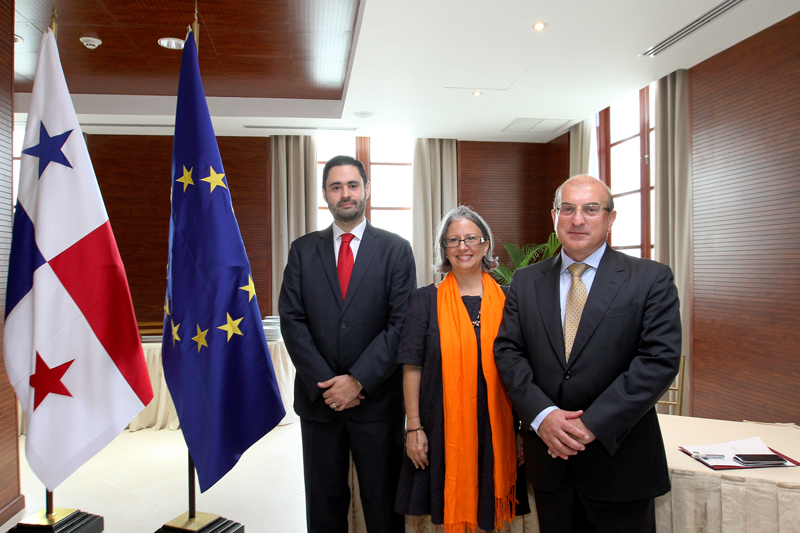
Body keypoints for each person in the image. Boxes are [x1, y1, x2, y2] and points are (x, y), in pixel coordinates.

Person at [494, 175, 682, 532]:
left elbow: (658, 361)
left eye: (591, 209)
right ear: (555, 216)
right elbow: (509, 352)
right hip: (550, 464)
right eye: (568, 209)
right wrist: (543, 416)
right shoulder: (526, 281)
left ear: (610, 218)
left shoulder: (650, 278)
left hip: (620, 464)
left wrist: (590, 424)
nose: (577, 219)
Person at [279, 155, 416, 533]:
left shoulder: (396, 249)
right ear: (325, 194)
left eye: (352, 185)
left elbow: (400, 324)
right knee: (323, 506)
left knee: (383, 507)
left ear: (366, 189)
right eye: (336, 187)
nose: (345, 194)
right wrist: (328, 385)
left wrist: (357, 380)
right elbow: (292, 321)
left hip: (377, 403)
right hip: (319, 403)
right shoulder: (302, 250)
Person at [395, 206, 529, 533]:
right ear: (444, 249)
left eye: (471, 238)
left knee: (488, 513)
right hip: (441, 426)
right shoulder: (425, 300)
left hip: (496, 426)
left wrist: (521, 430)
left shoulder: (510, 300)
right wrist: (413, 428)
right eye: (453, 240)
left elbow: (522, 369)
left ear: (486, 245)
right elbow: (412, 367)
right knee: (449, 504)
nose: (462, 247)